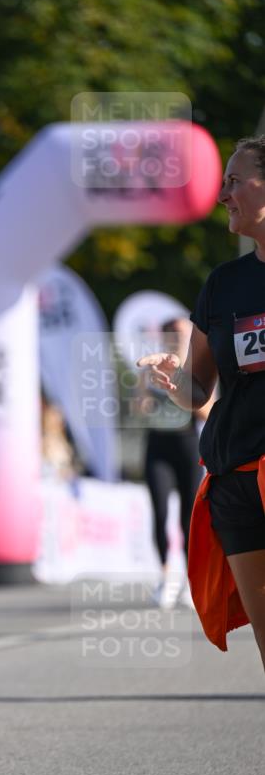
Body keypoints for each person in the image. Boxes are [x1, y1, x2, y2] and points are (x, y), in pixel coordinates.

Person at [137, 135, 265, 667]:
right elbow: (200, 390)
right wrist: (175, 379)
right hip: (236, 476)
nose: (223, 195)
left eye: (236, 181)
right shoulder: (224, 284)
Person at [141, 317, 210, 609]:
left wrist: (179, 389)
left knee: (188, 517)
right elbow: (139, 409)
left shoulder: (197, 369)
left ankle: (191, 582)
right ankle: (166, 576)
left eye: (182, 332)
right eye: (171, 332)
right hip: (158, 443)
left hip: (187, 445)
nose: (177, 337)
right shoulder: (150, 368)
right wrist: (150, 393)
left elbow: (206, 411)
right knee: (158, 509)